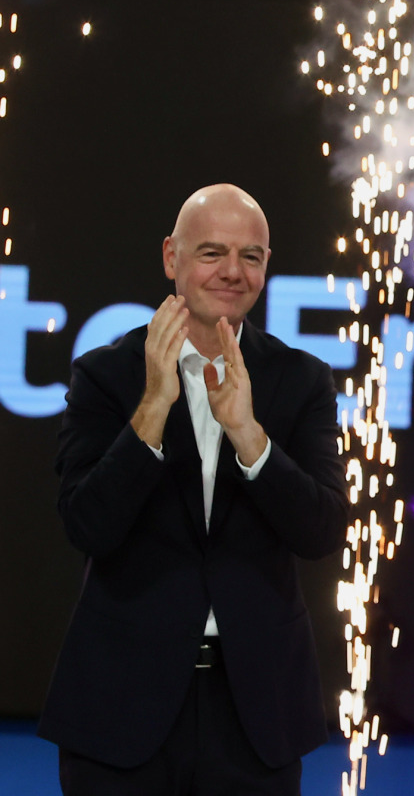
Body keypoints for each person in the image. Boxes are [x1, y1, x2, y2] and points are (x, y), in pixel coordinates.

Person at [38, 184, 349, 795]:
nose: (232, 271)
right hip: (121, 707)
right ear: (170, 258)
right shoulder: (106, 374)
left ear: (266, 266)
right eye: (212, 253)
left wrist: (249, 436)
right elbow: (87, 524)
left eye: (250, 256)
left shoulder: (301, 380)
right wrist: (154, 407)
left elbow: (321, 531)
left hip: (256, 713)